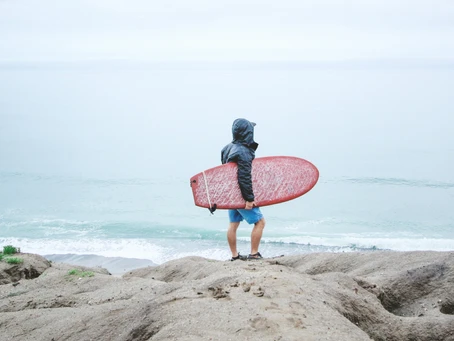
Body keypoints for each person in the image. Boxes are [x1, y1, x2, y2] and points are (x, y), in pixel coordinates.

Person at [221, 118, 266, 261]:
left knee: (233, 225)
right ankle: (253, 254)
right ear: (248, 132)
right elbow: (244, 176)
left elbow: (227, 173)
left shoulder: (226, 148)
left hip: (231, 194)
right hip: (241, 194)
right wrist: (249, 198)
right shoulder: (244, 151)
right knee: (260, 222)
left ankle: (235, 256)